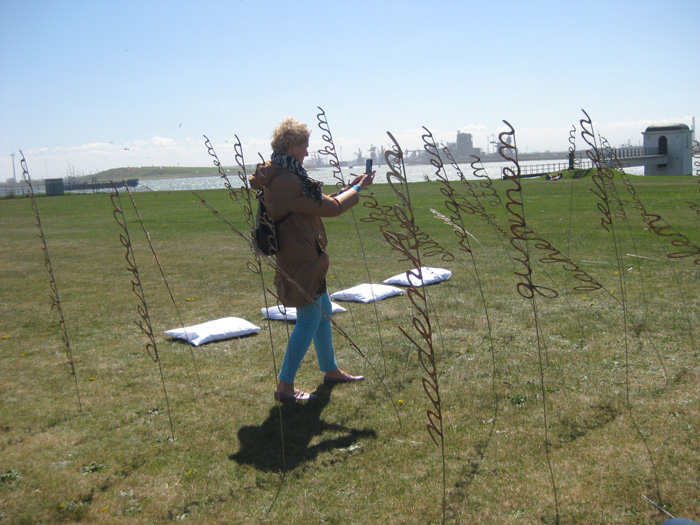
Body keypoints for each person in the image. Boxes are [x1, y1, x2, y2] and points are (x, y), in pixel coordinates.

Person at [249, 117, 375, 402]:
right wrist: (358, 190)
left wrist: (348, 190)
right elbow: (328, 209)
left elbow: (314, 204)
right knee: (308, 319)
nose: (307, 151)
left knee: (323, 310)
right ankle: (284, 387)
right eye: (305, 146)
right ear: (292, 146)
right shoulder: (286, 180)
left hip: (308, 254)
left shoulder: (285, 174)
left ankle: (330, 370)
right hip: (300, 258)